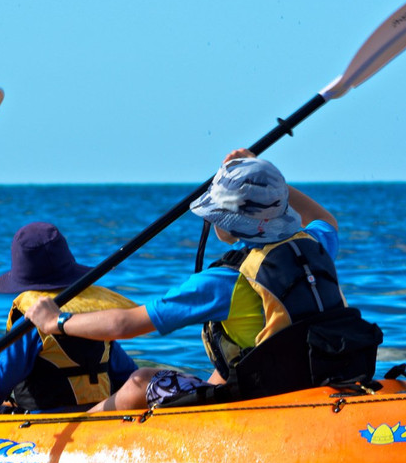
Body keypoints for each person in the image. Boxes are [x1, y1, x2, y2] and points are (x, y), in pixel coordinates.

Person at [25, 149, 381, 411]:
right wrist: (266, 178)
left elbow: (125, 323)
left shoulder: (224, 282)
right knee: (217, 374)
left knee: (139, 381)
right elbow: (325, 218)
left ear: (233, 222)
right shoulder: (314, 244)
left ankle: (80, 430)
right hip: (315, 375)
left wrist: (57, 321)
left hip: (270, 395)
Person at [0, 222, 138, 416]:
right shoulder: (92, 318)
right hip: (96, 414)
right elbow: (126, 373)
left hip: (42, 420)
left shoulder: (31, 322)